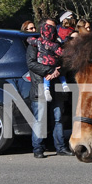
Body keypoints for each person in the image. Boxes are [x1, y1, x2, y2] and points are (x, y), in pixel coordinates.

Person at [26, 18, 72, 159]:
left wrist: (58, 71)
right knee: (40, 119)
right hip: (40, 87)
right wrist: (49, 70)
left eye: (53, 27)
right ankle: (38, 148)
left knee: (58, 119)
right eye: (49, 27)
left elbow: (65, 62)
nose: (52, 30)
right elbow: (31, 63)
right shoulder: (35, 45)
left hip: (57, 88)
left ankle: (60, 147)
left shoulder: (57, 45)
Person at [28, 21, 69, 102]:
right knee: (42, 113)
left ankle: (48, 89)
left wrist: (57, 71)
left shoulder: (39, 41)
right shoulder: (53, 44)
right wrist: (51, 70)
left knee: (57, 112)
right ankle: (63, 85)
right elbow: (31, 64)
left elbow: (30, 40)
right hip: (40, 85)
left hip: (45, 63)